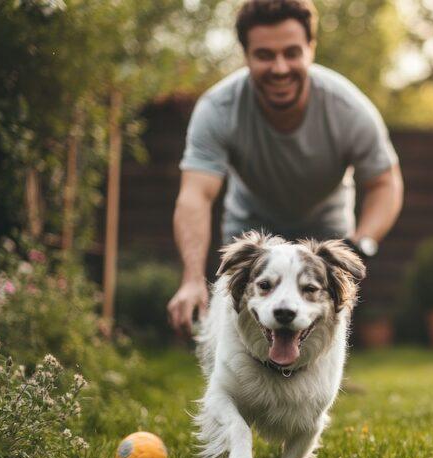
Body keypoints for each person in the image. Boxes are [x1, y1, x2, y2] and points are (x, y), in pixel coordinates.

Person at [167, 0, 403, 336]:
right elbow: (195, 195)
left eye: (292, 53)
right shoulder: (218, 109)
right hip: (250, 229)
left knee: (318, 345)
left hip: (327, 231)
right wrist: (191, 279)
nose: (280, 68)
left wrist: (361, 243)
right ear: (246, 55)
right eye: (265, 55)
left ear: (311, 48)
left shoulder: (348, 109)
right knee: (236, 339)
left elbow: (385, 182)